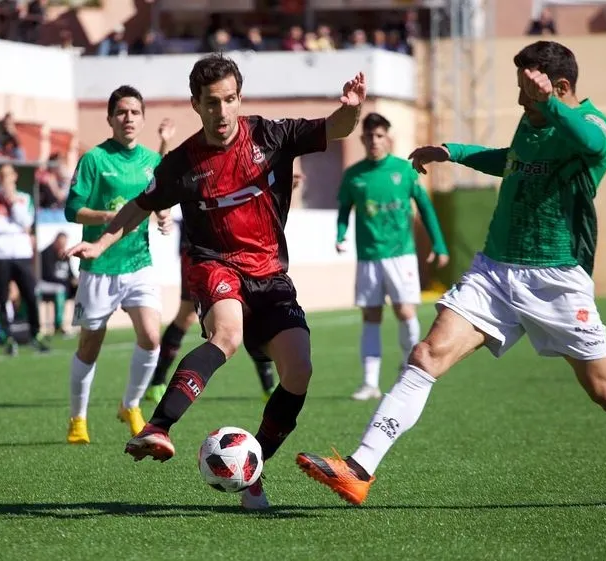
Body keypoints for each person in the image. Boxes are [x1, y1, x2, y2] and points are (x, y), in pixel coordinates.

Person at [295, 40, 606, 506]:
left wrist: (546, 101)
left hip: (556, 283)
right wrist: (455, 151)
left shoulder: (590, 124)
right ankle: (360, 468)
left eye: (526, 91)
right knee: (426, 356)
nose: (519, 100)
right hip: (494, 272)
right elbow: (512, 161)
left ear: (560, 86)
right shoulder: (533, 121)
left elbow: (593, 142)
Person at [63, 53, 366, 510]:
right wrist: (101, 245)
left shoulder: (271, 135)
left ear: (239, 99)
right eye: (210, 103)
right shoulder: (183, 162)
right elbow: (138, 207)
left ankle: (251, 471)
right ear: (196, 104)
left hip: (270, 273)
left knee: (299, 370)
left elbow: (337, 127)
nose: (220, 112)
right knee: (226, 335)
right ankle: (158, 426)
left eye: (228, 101)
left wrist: (351, 108)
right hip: (215, 264)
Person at [63, 86, 175, 445]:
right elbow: (71, 208)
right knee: (89, 347)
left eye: (135, 112)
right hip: (100, 267)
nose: (129, 118)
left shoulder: (150, 161)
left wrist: (164, 216)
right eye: (122, 112)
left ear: (142, 118)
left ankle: (130, 404)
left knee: (152, 336)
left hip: (138, 263)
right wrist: (107, 216)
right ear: (110, 118)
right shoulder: (94, 160)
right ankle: (78, 419)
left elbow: (161, 195)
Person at [144, 158, 305, 404]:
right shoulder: (196, 163)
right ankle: (157, 381)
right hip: (200, 254)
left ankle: (268, 385)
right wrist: (162, 211)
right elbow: (163, 188)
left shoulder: (239, 161)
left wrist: (284, 185)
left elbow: (253, 202)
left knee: (246, 312)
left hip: (234, 254)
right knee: (189, 316)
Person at [336, 112, 450, 401]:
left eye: (379, 135)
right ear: (362, 139)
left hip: (402, 256)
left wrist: (439, 245)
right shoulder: (354, 175)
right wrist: (340, 235)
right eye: (369, 136)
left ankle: (412, 372)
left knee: (405, 311)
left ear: (389, 138)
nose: (374, 140)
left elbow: (425, 208)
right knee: (370, 316)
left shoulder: (406, 170)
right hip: (368, 257)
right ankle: (369, 383)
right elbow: (343, 211)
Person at [0, 164, 50, 355]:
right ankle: (8, 336)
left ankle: (36, 333)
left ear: (15, 177)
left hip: (22, 254)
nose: (6, 179)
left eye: (9, 175)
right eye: (2, 175)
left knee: (29, 294)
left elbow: (26, 221)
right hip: (1, 254)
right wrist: (17, 229)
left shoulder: (24, 198)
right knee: (3, 297)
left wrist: (12, 203)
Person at [38, 232, 77, 336]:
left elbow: (70, 274)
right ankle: (58, 324)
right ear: (56, 241)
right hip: (46, 284)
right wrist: (68, 282)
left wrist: (75, 280)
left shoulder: (65, 255)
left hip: (64, 285)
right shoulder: (46, 253)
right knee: (60, 289)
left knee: (80, 287)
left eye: (64, 244)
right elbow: (48, 275)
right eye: (61, 243)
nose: (62, 246)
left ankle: (82, 323)